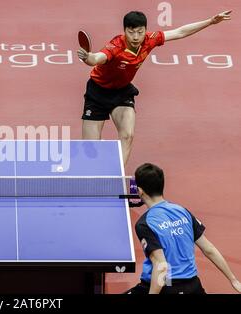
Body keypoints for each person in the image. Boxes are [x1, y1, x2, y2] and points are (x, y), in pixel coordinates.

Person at [77, 10, 231, 166]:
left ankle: (118, 174)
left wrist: (210, 21)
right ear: (124, 31)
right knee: (90, 149)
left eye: (140, 32)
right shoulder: (116, 45)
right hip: (98, 92)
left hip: (122, 92)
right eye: (131, 32)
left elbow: (180, 32)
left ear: (145, 30)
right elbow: (97, 58)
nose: (136, 37)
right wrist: (87, 57)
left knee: (127, 135)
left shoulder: (150, 39)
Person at [126, 163, 241, 294]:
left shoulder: (144, 223)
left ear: (140, 191)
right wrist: (233, 280)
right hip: (193, 286)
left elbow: (161, 265)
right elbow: (209, 249)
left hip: (165, 286)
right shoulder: (183, 211)